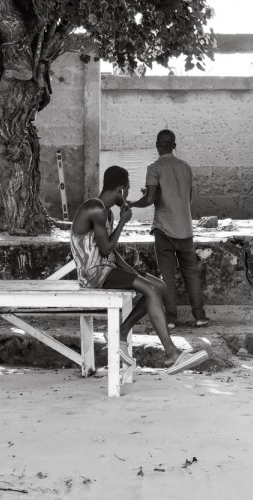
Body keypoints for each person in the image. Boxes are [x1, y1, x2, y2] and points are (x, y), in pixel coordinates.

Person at [70, 166, 207, 375]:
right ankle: (171, 354)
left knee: (159, 286)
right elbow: (106, 248)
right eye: (127, 190)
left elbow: (110, 254)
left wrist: (134, 273)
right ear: (121, 189)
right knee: (150, 291)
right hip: (93, 275)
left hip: (106, 269)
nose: (127, 196)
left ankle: (121, 333)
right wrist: (123, 222)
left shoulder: (106, 214)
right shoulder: (95, 209)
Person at [129, 129, 208, 328]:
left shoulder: (154, 168)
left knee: (167, 276)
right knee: (191, 273)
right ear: (174, 146)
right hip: (185, 229)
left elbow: (150, 199)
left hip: (164, 229)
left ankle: (171, 319)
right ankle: (200, 316)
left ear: (157, 145)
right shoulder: (186, 167)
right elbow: (187, 199)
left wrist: (131, 204)